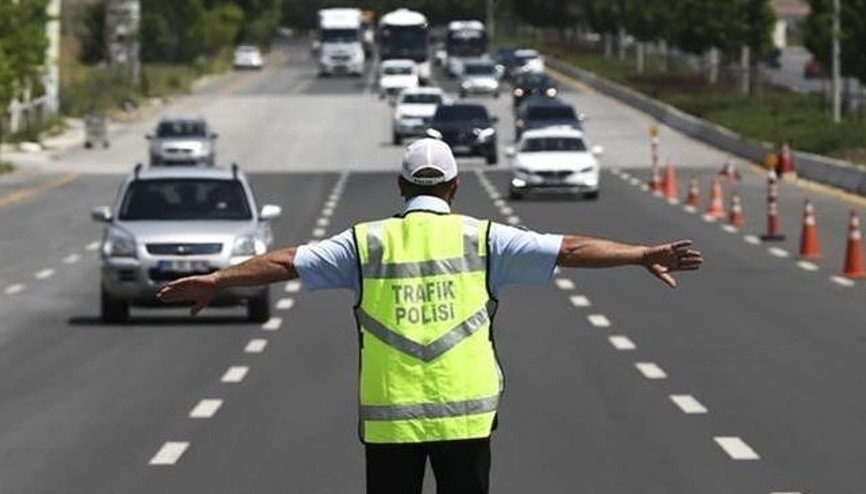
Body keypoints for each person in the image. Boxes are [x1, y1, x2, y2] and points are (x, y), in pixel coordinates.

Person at [157, 138, 703, 494]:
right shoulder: (484, 237)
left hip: (391, 418)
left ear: (400, 187)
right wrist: (641, 254)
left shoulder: (365, 242)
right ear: (454, 187)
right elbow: (570, 249)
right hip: (465, 417)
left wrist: (218, 278)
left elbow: (284, 262)